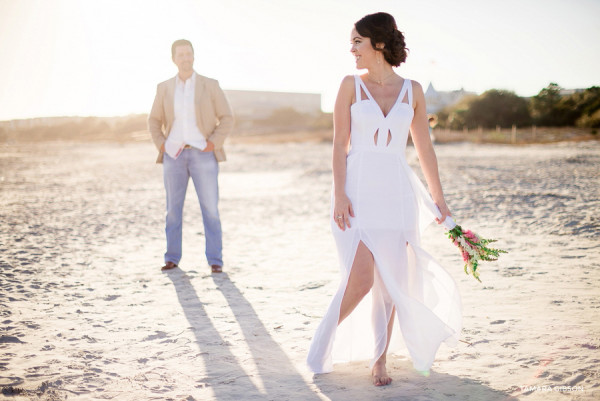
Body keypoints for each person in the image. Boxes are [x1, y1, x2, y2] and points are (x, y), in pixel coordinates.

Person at [306, 13, 461, 386]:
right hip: (357, 191)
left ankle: (380, 360)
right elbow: (339, 145)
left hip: (397, 192)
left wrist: (439, 200)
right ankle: (322, 340)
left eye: (357, 41)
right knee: (360, 279)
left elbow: (424, 148)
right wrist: (339, 194)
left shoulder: (413, 90)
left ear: (378, 43)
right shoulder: (349, 86)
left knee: (392, 283)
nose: (352, 50)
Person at [148, 39, 234, 273]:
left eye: (188, 54)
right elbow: (154, 121)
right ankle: (172, 258)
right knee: (173, 210)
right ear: (174, 59)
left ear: (193, 56)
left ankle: (215, 260)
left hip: (203, 154)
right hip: (173, 155)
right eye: (180, 54)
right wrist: (162, 145)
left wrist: (213, 143)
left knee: (210, 209)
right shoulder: (164, 87)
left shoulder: (210, 85)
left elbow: (227, 117)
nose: (185, 58)